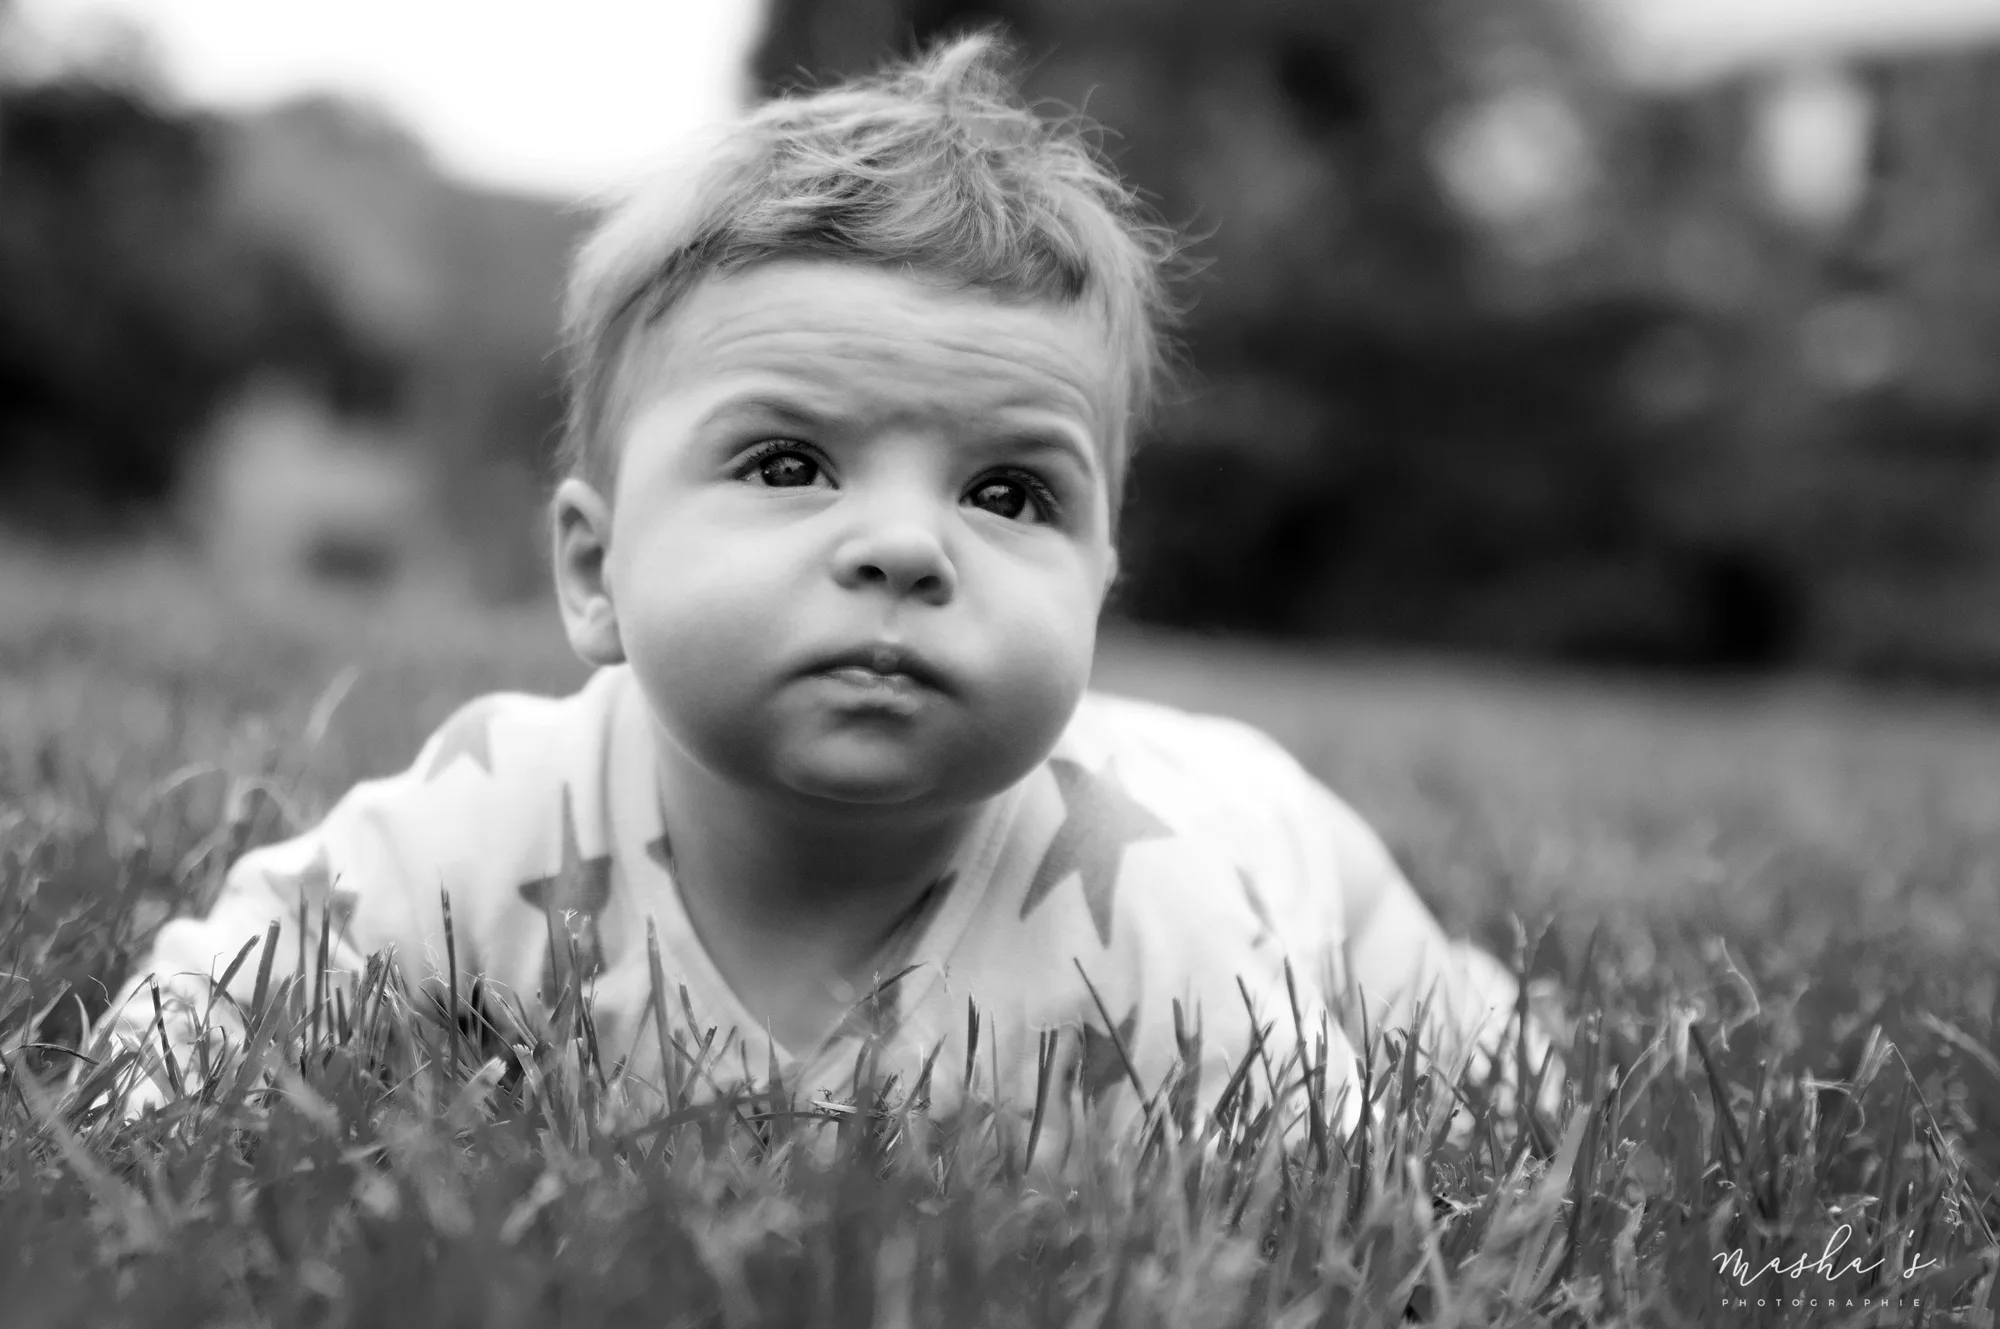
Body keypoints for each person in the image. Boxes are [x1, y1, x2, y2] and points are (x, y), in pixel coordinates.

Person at [96, 34, 1548, 1148]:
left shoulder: (1165, 927)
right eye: (789, 464)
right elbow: (210, 1000)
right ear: (597, 572)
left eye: (1008, 494)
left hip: (1265, 824)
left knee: (1480, 1048)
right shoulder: (495, 814)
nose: (908, 548)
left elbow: (1348, 1192)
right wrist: (150, 1111)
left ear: (1100, 585)